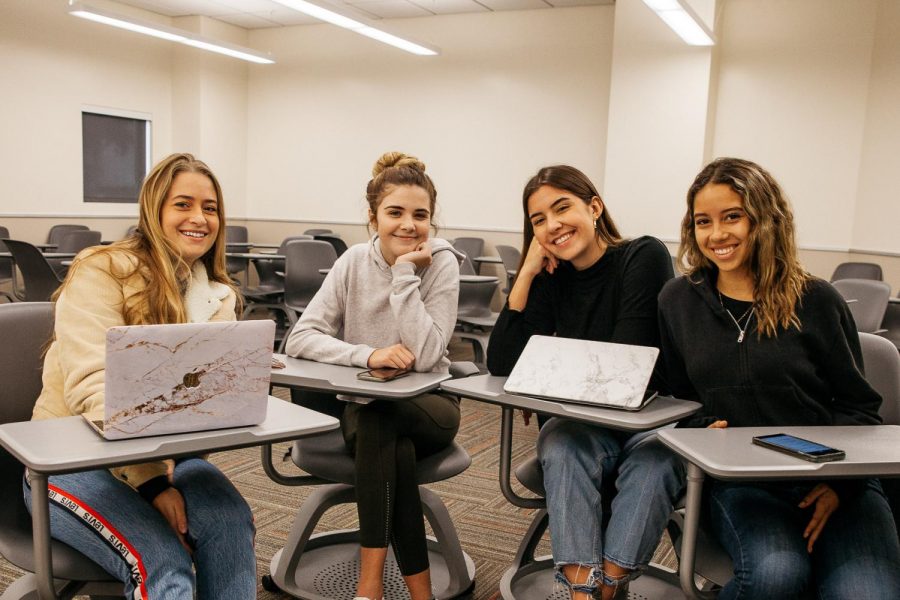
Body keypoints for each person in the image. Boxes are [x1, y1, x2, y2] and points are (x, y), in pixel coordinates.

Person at [658, 157, 900, 599]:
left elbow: (860, 408)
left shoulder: (817, 299)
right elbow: (679, 397)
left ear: (765, 219)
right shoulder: (678, 300)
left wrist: (838, 487)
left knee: (868, 595)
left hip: (835, 478)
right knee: (777, 577)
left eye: (733, 216)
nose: (716, 235)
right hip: (742, 484)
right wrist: (698, 431)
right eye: (702, 221)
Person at [25, 153, 257, 599]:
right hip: (71, 459)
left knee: (231, 527)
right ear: (154, 210)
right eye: (183, 204)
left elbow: (209, 398)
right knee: (164, 564)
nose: (199, 218)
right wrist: (151, 481)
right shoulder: (101, 271)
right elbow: (96, 386)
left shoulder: (217, 296)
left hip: (175, 458)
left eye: (210, 209)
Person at [486, 165, 678, 600]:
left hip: (651, 421)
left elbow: (624, 362)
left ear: (594, 207)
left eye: (562, 208)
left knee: (655, 464)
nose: (552, 226)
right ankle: (581, 594)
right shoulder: (554, 277)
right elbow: (501, 362)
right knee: (560, 444)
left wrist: (547, 376)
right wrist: (528, 272)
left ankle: (605, 587)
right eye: (538, 220)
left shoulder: (642, 255)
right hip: (585, 426)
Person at [284, 152, 462, 600]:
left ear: (431, 220)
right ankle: (416, 593)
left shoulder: (442, 263)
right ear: (372, 217)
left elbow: (425, 355)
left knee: (382, 423)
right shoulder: (352, 263)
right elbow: (300, 338)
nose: (408, 224)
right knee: (384, 434)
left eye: (420, 215)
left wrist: (404, 276)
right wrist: (368, 355)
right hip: (368, 410)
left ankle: (369, 589)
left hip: (431, 408)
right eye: (395, 212)